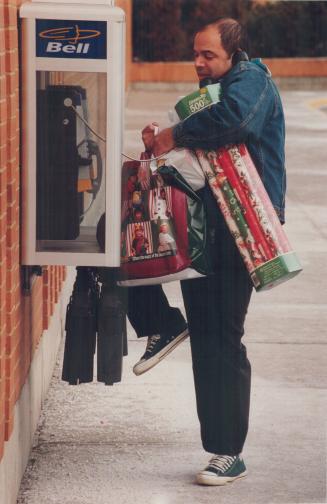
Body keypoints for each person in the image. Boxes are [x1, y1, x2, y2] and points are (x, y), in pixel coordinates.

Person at [128, 16, 286, 486]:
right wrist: (160, 143)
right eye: (195, 54)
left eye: (207, 55)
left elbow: (231, 122)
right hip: (205, 224)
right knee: (127, 262)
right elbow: (203, 150)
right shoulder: (209, 91)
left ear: (233, 53)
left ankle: (227, 452)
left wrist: (176, 134)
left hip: (240, 230)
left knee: (221, 339)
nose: (198, 62)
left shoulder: (250, 81)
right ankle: (161, 322)